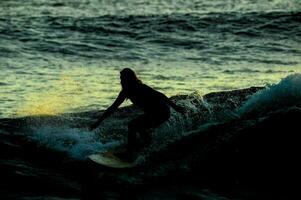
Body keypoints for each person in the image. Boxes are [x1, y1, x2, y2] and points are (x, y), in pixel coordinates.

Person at [89, 68, 185, 161]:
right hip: (153, 113)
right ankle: (145, 144)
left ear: (129, 79)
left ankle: (130, 154)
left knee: (133, 125)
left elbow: (161, 95)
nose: (121, 81)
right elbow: (113, 108)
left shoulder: (140, 87)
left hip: (162, 112)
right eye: (120, 78)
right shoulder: (125, 92)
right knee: (138, 127)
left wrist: (175, 107)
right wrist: (98, 122)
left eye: (123, 78)